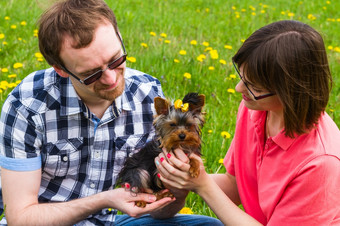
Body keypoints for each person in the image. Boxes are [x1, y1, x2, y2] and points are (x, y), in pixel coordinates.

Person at [0, 0, 223, 225]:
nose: (111, 79)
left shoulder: (146, 93)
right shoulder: (28, 105)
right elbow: (21, 218)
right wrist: (104, 200)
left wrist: (177, 191)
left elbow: (159, 213)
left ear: (120, 36)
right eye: (91, 73)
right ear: (61, 69)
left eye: (116, 60)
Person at [156, 20, 340, 225]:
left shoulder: (320, 162)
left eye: (253, 86)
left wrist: (203, 186)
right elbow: (236, 185)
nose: (238, 88)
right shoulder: (255, 109)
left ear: (290, 93)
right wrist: (180, 181)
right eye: (241, 76)